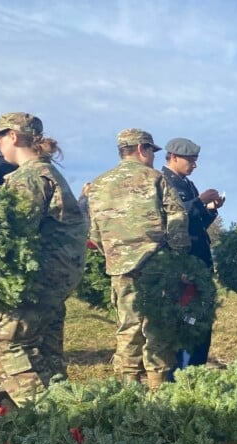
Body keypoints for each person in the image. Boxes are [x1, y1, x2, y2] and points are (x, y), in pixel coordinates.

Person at [0, 113, 86, 404]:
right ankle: (75, 425)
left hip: (33, 284)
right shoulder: (49, 173)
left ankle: (47, 422)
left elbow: (13, 234)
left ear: (14, 136)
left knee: (6, 344)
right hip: (53, 283)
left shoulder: (28, 178)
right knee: (45, 355)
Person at [88, 128, 189, 389]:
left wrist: (112, 254)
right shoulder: (156, 179)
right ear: (142, 149)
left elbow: (94, 233)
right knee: (157, 327)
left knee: (128, 326)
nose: (153, 158)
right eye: (152, 152)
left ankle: (129, 389)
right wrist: (179, 258)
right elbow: (177, 218)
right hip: (156, 264)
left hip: (119, 267)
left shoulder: (98, 185)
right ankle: (157, 387)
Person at [161, 138, 224, 369]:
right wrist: (198, 202)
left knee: (201, 320)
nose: (194, 165)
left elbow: (195, 225)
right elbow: (172, 218)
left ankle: (197, 368)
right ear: (174, 157)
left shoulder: (186, 183)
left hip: (200, 262)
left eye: (196, 160)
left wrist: (211, 210)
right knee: (186, 321)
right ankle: (182, 372)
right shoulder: (164, 182)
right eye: (190, 160)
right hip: (183, 265)